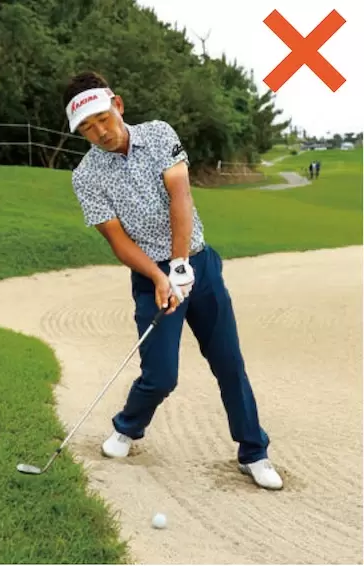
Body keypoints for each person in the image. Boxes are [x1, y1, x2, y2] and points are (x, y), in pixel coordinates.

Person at [63, 71, 283, 490]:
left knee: (228, 363)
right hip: (150, 277)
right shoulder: (85, 176)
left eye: (103, 119)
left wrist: (180, 265)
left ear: (118, 106)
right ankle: (128, 427)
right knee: (161, 375)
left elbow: (181, 196)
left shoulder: (159, 134)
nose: (100, 132)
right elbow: (117, 240)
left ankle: (254, 452)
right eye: (87, 128)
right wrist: (158, 275)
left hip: (199, 264)